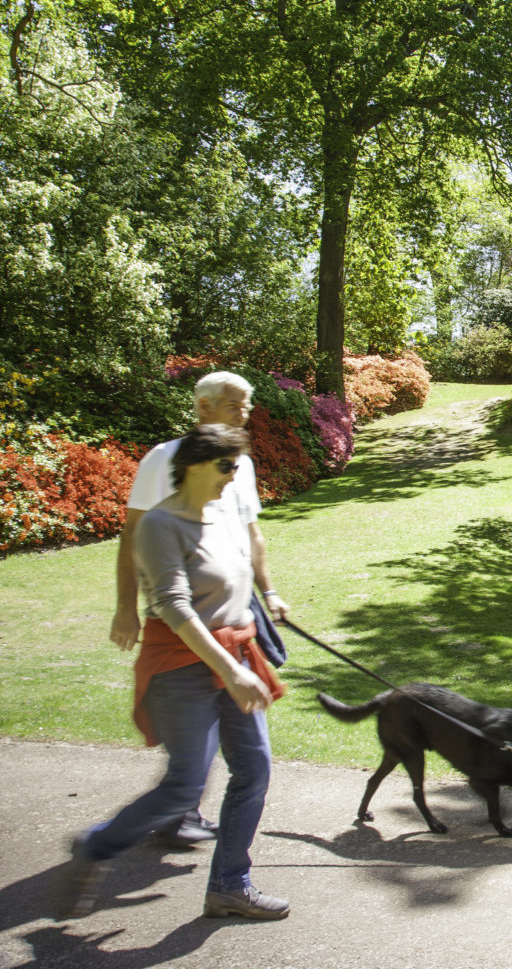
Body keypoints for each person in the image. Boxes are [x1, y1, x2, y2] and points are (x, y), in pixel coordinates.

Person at [52, 425, 289, 920]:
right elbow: (174, 606)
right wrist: (230, 670)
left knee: (254, 770)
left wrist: (262, 615)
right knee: (184, 786)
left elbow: (235, 585)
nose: (234, 475)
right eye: (226, 465)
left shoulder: (223, 514)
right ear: (194, 464)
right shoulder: (161, 524)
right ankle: (95, 848)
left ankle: (229, 885)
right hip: (182, 666)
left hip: (236, 658)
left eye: (237, 465)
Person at [110, 371, 290, 846]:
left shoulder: (239, 463)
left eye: (247, 406)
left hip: (232, 608)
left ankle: (187, 819)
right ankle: (168, 813)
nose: (244, 414)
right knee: (197, 736)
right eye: (235, 405)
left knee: (239, 751)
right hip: (184, 616)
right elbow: (134, 534)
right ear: (203, 406)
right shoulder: (163, 459)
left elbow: (250, 533)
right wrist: (126, 607)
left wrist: (269, 591)